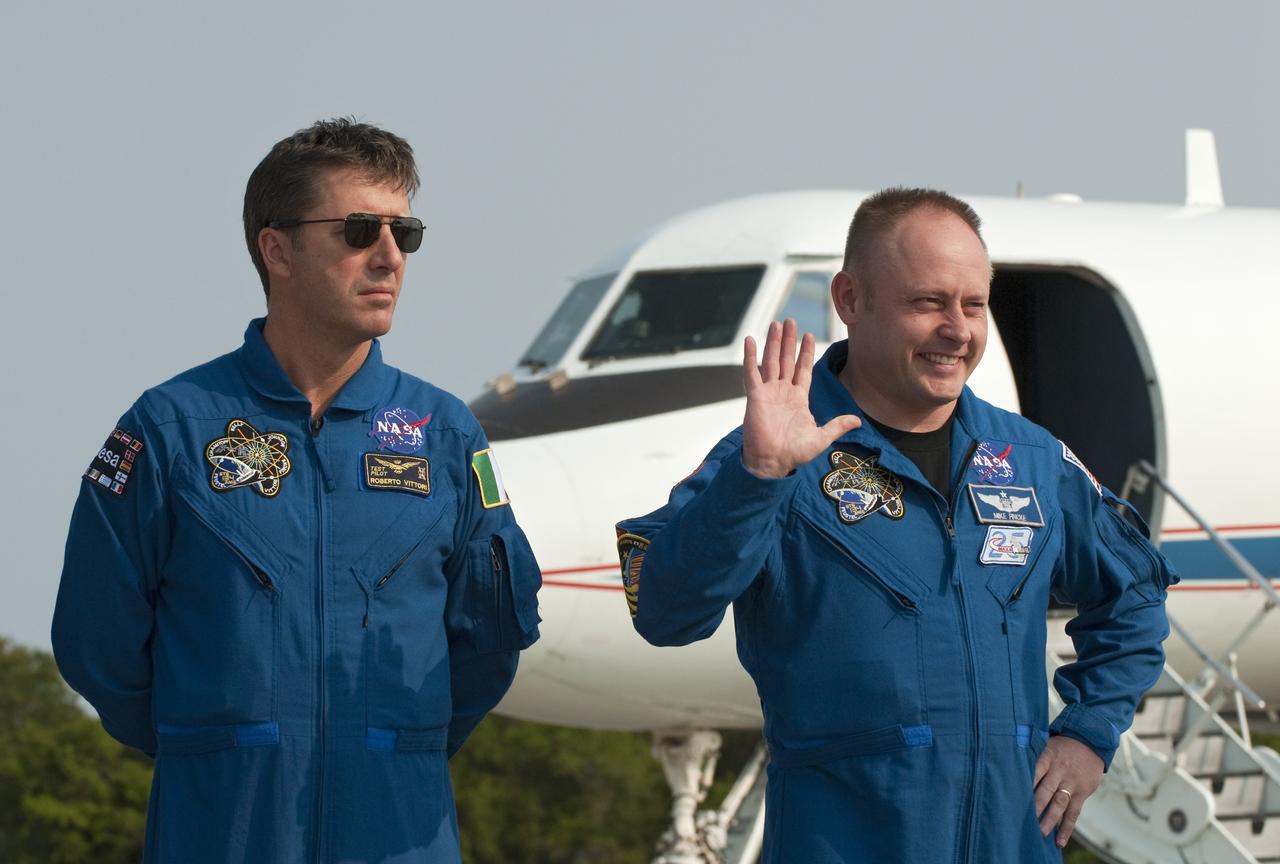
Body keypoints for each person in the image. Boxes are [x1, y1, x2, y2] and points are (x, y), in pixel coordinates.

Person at [616, 188, 1175, 863]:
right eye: (928, 303)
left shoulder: (1028, 459)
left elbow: (1136, 593)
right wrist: (758, 479)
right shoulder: (772, 458)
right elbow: (666, 611)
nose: (958, 330)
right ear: (851, 300)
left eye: (974, 305)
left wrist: (1087, 734)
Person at [52, 118, 541, 863]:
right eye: (356, 230)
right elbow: (97, 643)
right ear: (275, 248)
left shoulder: (446, 435)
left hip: (399, 835)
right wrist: (217, 749)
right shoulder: (169, 429)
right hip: (221, 833)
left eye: (403, 233)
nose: (387, 256)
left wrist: (391, 751)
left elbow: (487, 645)